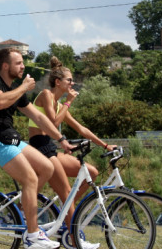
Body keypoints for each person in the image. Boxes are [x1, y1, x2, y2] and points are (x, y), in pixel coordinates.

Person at [0, 48, 73, 249]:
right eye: (19, 63)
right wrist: (23, 87)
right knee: (30, 178)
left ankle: (24, 206)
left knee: (47, 168)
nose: (23, 66)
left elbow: (38, 118)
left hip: (10, 140)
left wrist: (61, 139)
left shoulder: (15, 89)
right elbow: (0, 102)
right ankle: (32, 235)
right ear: (6, 66)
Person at [29, 57, 116, 249]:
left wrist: (106, 146)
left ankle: (65, 211)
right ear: (58, 82)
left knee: (91, 174)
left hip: (50, 147)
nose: (72, 83)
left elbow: (81, 128)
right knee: (67, 192)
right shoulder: (46, 94)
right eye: (69, 80)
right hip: (39, 147)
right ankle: (76, 240)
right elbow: (52, 123)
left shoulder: (60, 105)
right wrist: (68, 102)